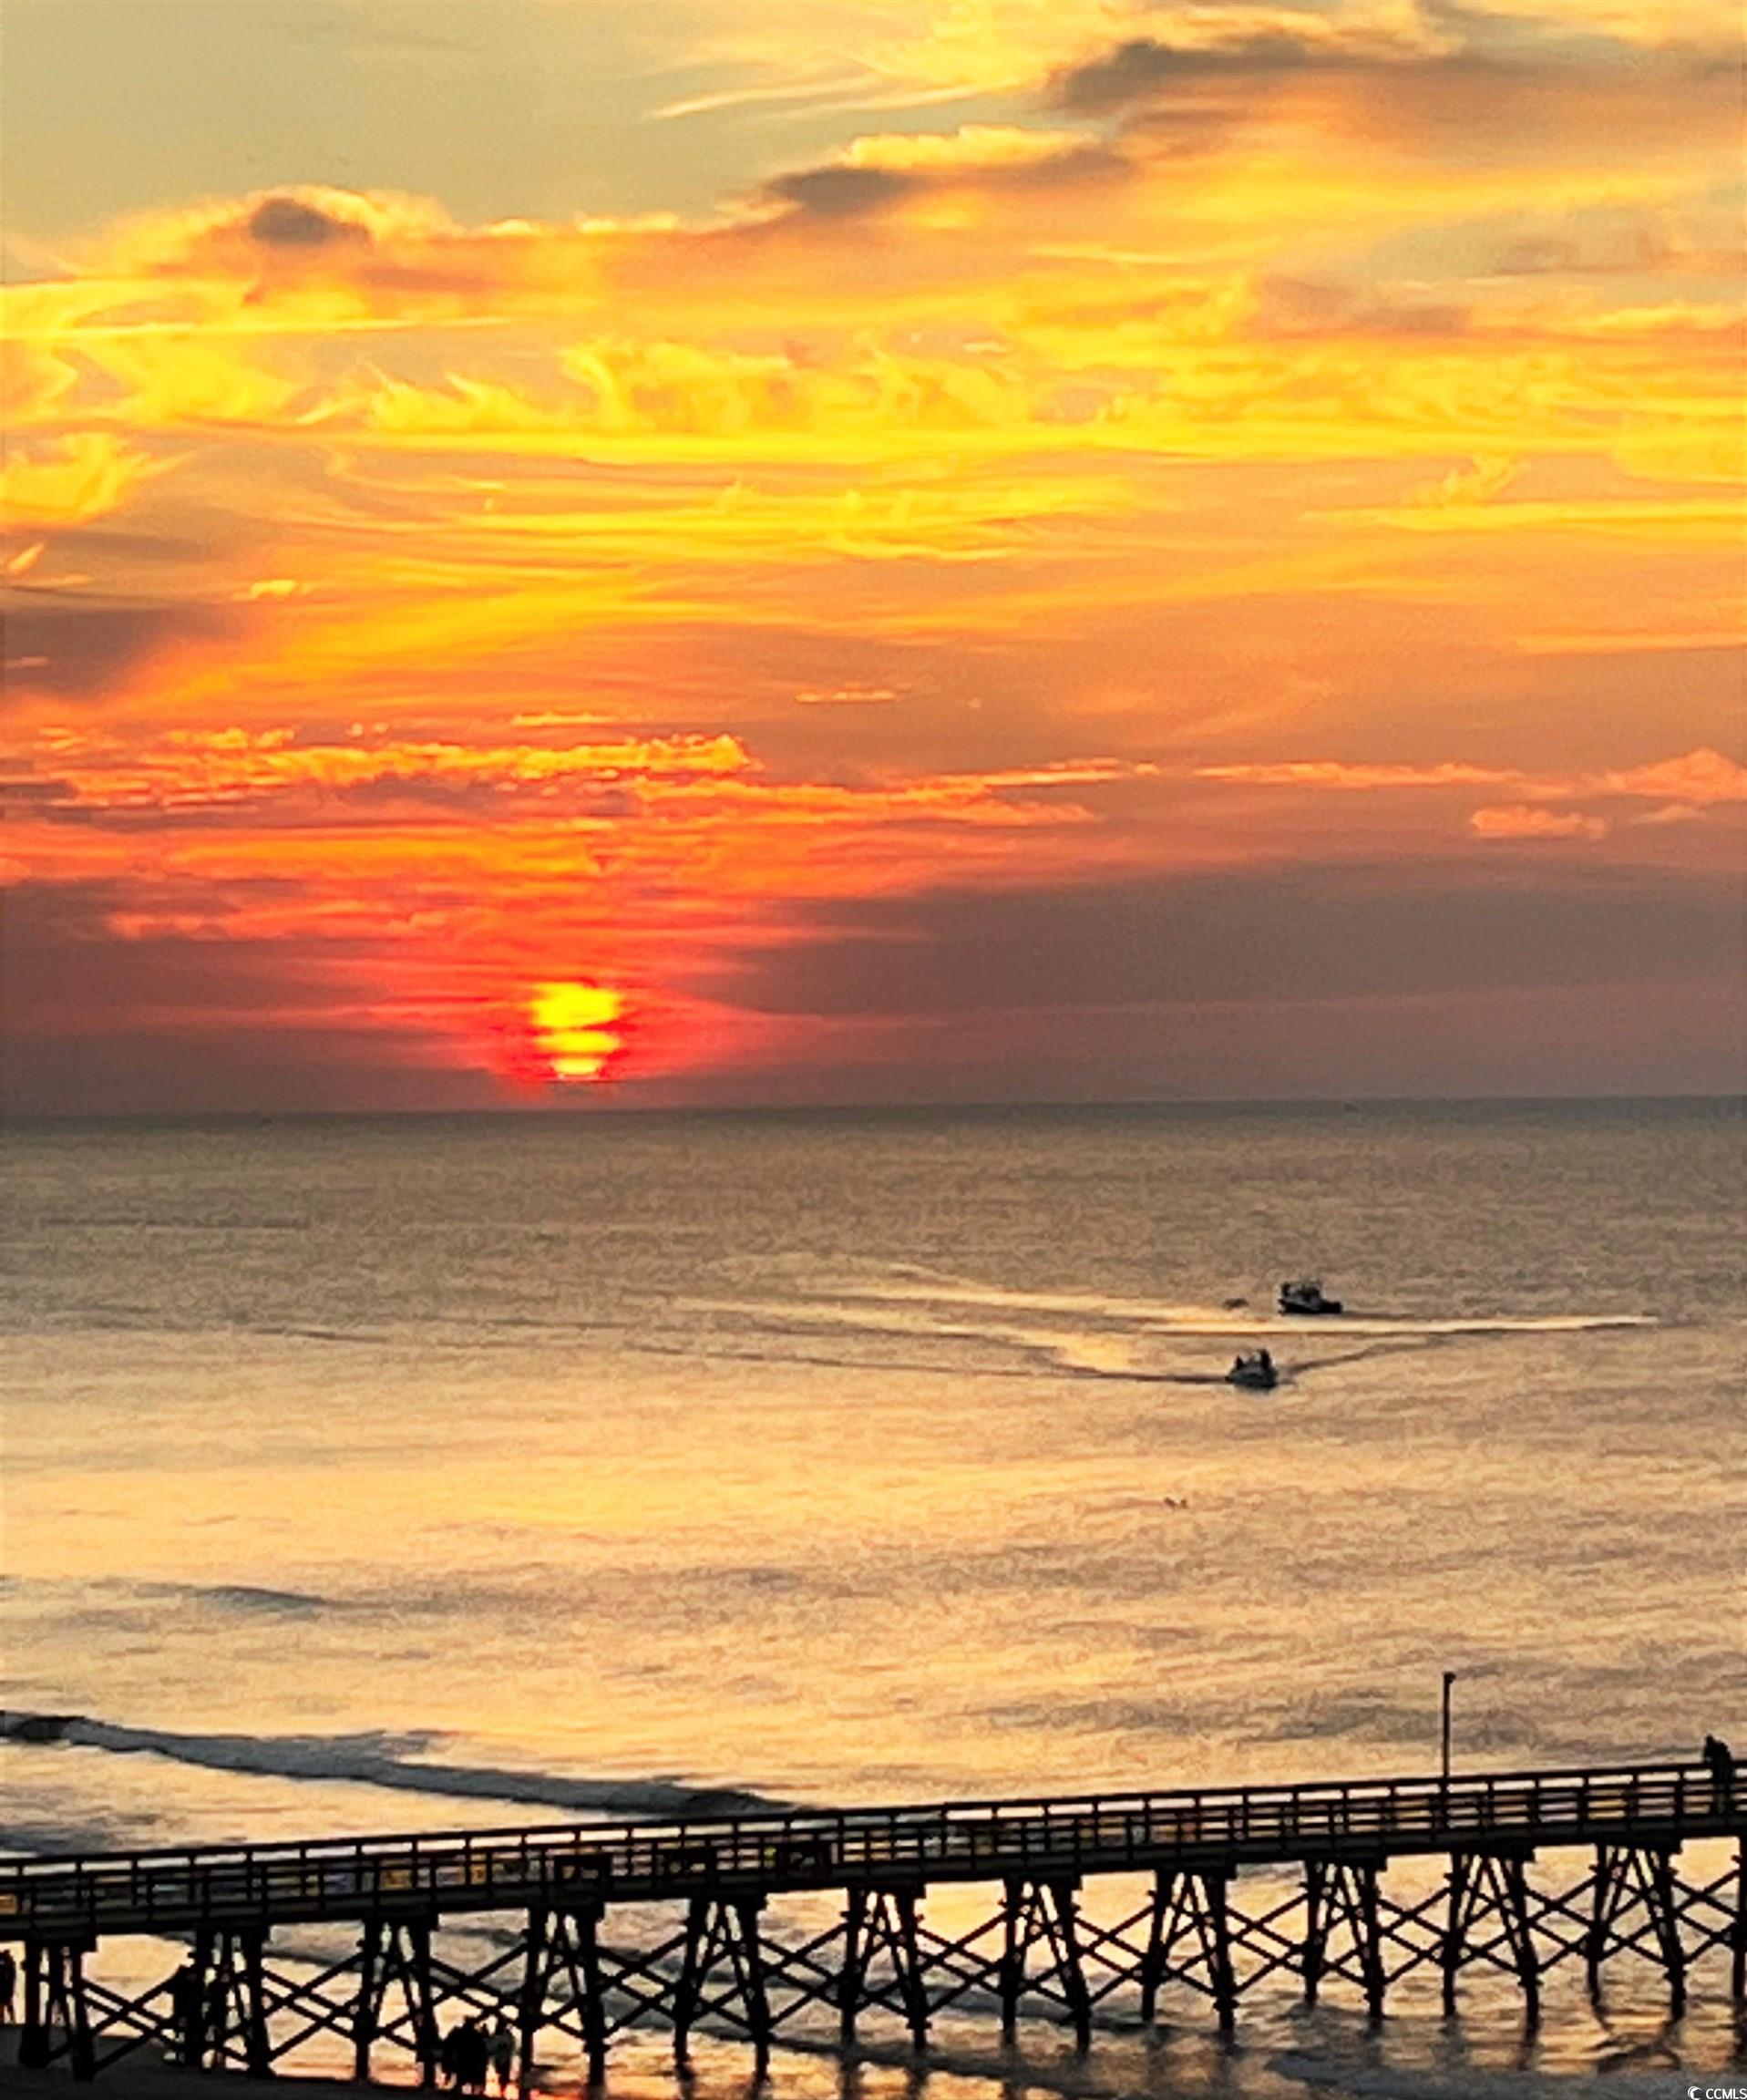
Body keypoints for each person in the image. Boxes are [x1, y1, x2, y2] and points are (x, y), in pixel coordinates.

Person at [488, 2012, 515, 2095]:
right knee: (503, 2075)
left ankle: (502, 2092)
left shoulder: (505, 2036)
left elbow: (491, 2047)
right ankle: (502, 2092)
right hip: (502, 2058)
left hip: (504, 2058)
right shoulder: (506, 2036)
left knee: (503, 2075)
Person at [0, 1947, 15, 2023]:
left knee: (4, 2003)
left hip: (5, 1987)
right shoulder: (10, 1965)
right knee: (7, 2003)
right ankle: (10, 2019)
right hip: (7, 1987)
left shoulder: (7, 1965)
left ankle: (6, 2019)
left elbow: (9, 1977)